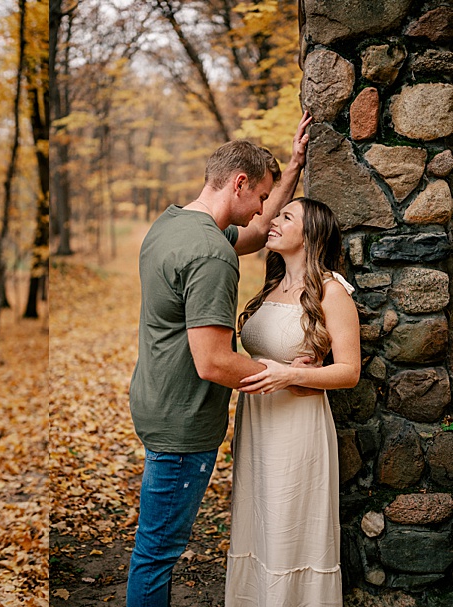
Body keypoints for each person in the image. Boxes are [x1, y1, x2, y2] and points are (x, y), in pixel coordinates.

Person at [126, 112, 314, 607]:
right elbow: (212, 362)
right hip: (183, 421)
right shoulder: (210, 254)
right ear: (239, 182)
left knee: (153, 548)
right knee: (156, 554)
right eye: (259, 198)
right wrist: (290, 376)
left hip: (154, 403)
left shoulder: (171, 225)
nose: (262, 213)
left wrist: (291, 168)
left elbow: (251, 238)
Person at [225, 197, 360, 605]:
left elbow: (350, 371)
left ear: (311, 235)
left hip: (297, 428)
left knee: (288, 527)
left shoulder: (331, 291)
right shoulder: (273, 284)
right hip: (257, 424)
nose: (274, 221)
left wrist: (294, 374)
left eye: (287, 217)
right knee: (257, 524)